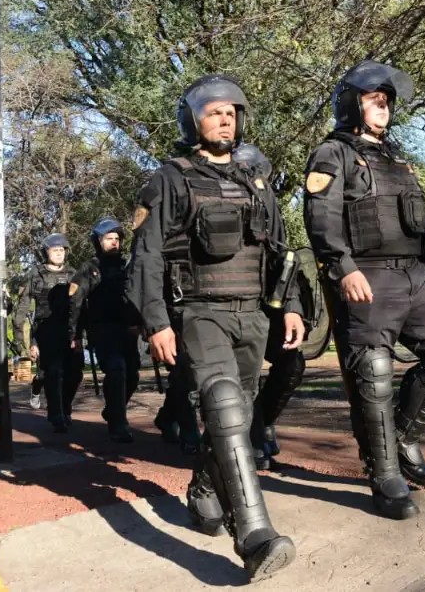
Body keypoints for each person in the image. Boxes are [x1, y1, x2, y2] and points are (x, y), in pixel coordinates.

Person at [126, 74, 304, 582]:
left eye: (231, 111)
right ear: (192, 121)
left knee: (241, 418)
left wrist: (290, 302)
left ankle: (205, 489)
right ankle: (254, 535)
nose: (224, 118)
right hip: (198, 311)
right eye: (213, 112)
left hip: (253, 312)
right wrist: (156, 321)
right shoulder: (170, 178)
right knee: (224, 402)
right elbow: (146, 257)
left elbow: (280, 250)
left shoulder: (258, 179)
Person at [303, 60, 425, 520]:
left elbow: (422, 224)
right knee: (373, 372)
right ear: (352, 103)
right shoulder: (331, 154)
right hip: (367, 276)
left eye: (388, 101)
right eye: (375, 99)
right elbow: (320, 218)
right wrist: (342, 267)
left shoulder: (399, 160)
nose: (384, 107)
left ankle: (404, 438)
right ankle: (384, 474)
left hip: (416, 275)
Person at [232, 143, 309, 471]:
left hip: (267, 301)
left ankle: (262, 421)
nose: (253, 179)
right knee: (238, 375)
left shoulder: (267, 199)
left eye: (256, 172)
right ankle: (245, 437)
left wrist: (292, 306)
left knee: (292, 364)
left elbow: (282, 255)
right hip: (224, 302)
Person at [71, 218, 142, 443]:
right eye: (108, 239)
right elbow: (76, 303)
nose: (114, 242)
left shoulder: (129, 265)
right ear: (98, 241)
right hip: (102, 330)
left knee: (133, 374)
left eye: (117, 239)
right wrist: (74, 334)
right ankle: (118, 424)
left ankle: (113, 409)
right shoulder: (88, 268)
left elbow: (140, 296)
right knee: (116, 369)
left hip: (128, 330)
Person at [14, 233, 83, 433]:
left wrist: (82, 333)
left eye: (62, 250)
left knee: (74, 374)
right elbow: (23, 308)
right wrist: (25, 342)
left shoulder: (74, 274)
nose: (59, 253)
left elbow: (82, 304)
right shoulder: (35, 275)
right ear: (46, 253)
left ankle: (65, 406)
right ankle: (56, 413)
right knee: (52, 373)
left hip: (70, 328)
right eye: (55, 250)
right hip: (45, 329)